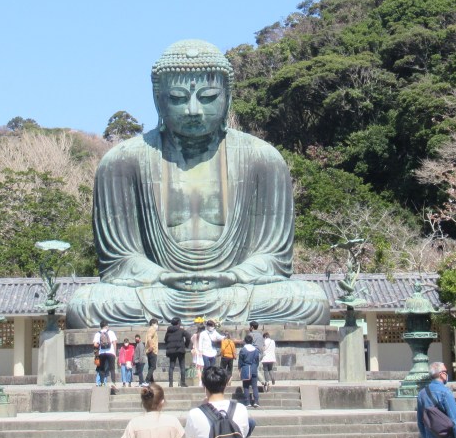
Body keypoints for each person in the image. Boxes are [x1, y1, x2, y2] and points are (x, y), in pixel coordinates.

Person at [65, 40, 331, 328]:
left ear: (228, 98)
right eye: (178, 98)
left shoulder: (263, 159)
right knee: (87, 304)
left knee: (310, 300)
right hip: (158, 291)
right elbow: (119, 260)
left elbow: (274, 257)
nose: (193, 110)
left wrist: (234, 275)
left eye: (207, 97)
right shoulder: (122, 162)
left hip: (235, 289)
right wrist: (159, 276)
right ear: (158, 99)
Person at [164, 318, 191, 387]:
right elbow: (188, 336)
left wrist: (169, 345)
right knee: (182, 366)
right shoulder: (181, 330)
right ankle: (183, 382)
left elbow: (165, 340)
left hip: (171, 351)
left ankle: (170, 383)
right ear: (179, 323)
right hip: (180, 350)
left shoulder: (169, 331)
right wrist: (186, 345)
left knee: (171, 366)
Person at [238, 334, 261, 408]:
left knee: (246, 386)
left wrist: (239, 369)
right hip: (254, 368)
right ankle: (256, 401)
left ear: (245, 341)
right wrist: (255, 366)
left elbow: (240, 361)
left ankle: (247, 402)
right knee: (254, 386)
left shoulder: (243, 350)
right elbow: (257, 361)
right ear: (252, 341)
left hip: (245, 368)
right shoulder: (256, 350)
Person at [94, 323, 118, 390]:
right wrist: (115, 352)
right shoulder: (111, 332)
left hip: (102, 353)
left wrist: (96, 354)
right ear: (106, 326)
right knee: (112, 368)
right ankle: (113, 382)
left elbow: (95, 344)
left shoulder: (97, 334)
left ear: (100, 326)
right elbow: (114, 343)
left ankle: (101, 383)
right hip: (110, 352)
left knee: (101, 369)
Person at [145, 319, 160, 384]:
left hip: (149, 350)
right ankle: (147, 380)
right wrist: (151, 346)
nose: (157, 325)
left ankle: (151, 381)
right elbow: (149, 338)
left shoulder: (150, 329)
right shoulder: (152, 329)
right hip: (152, 350)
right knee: (153, 366)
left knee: (150, 366)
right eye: (156, 324)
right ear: (153, 323)